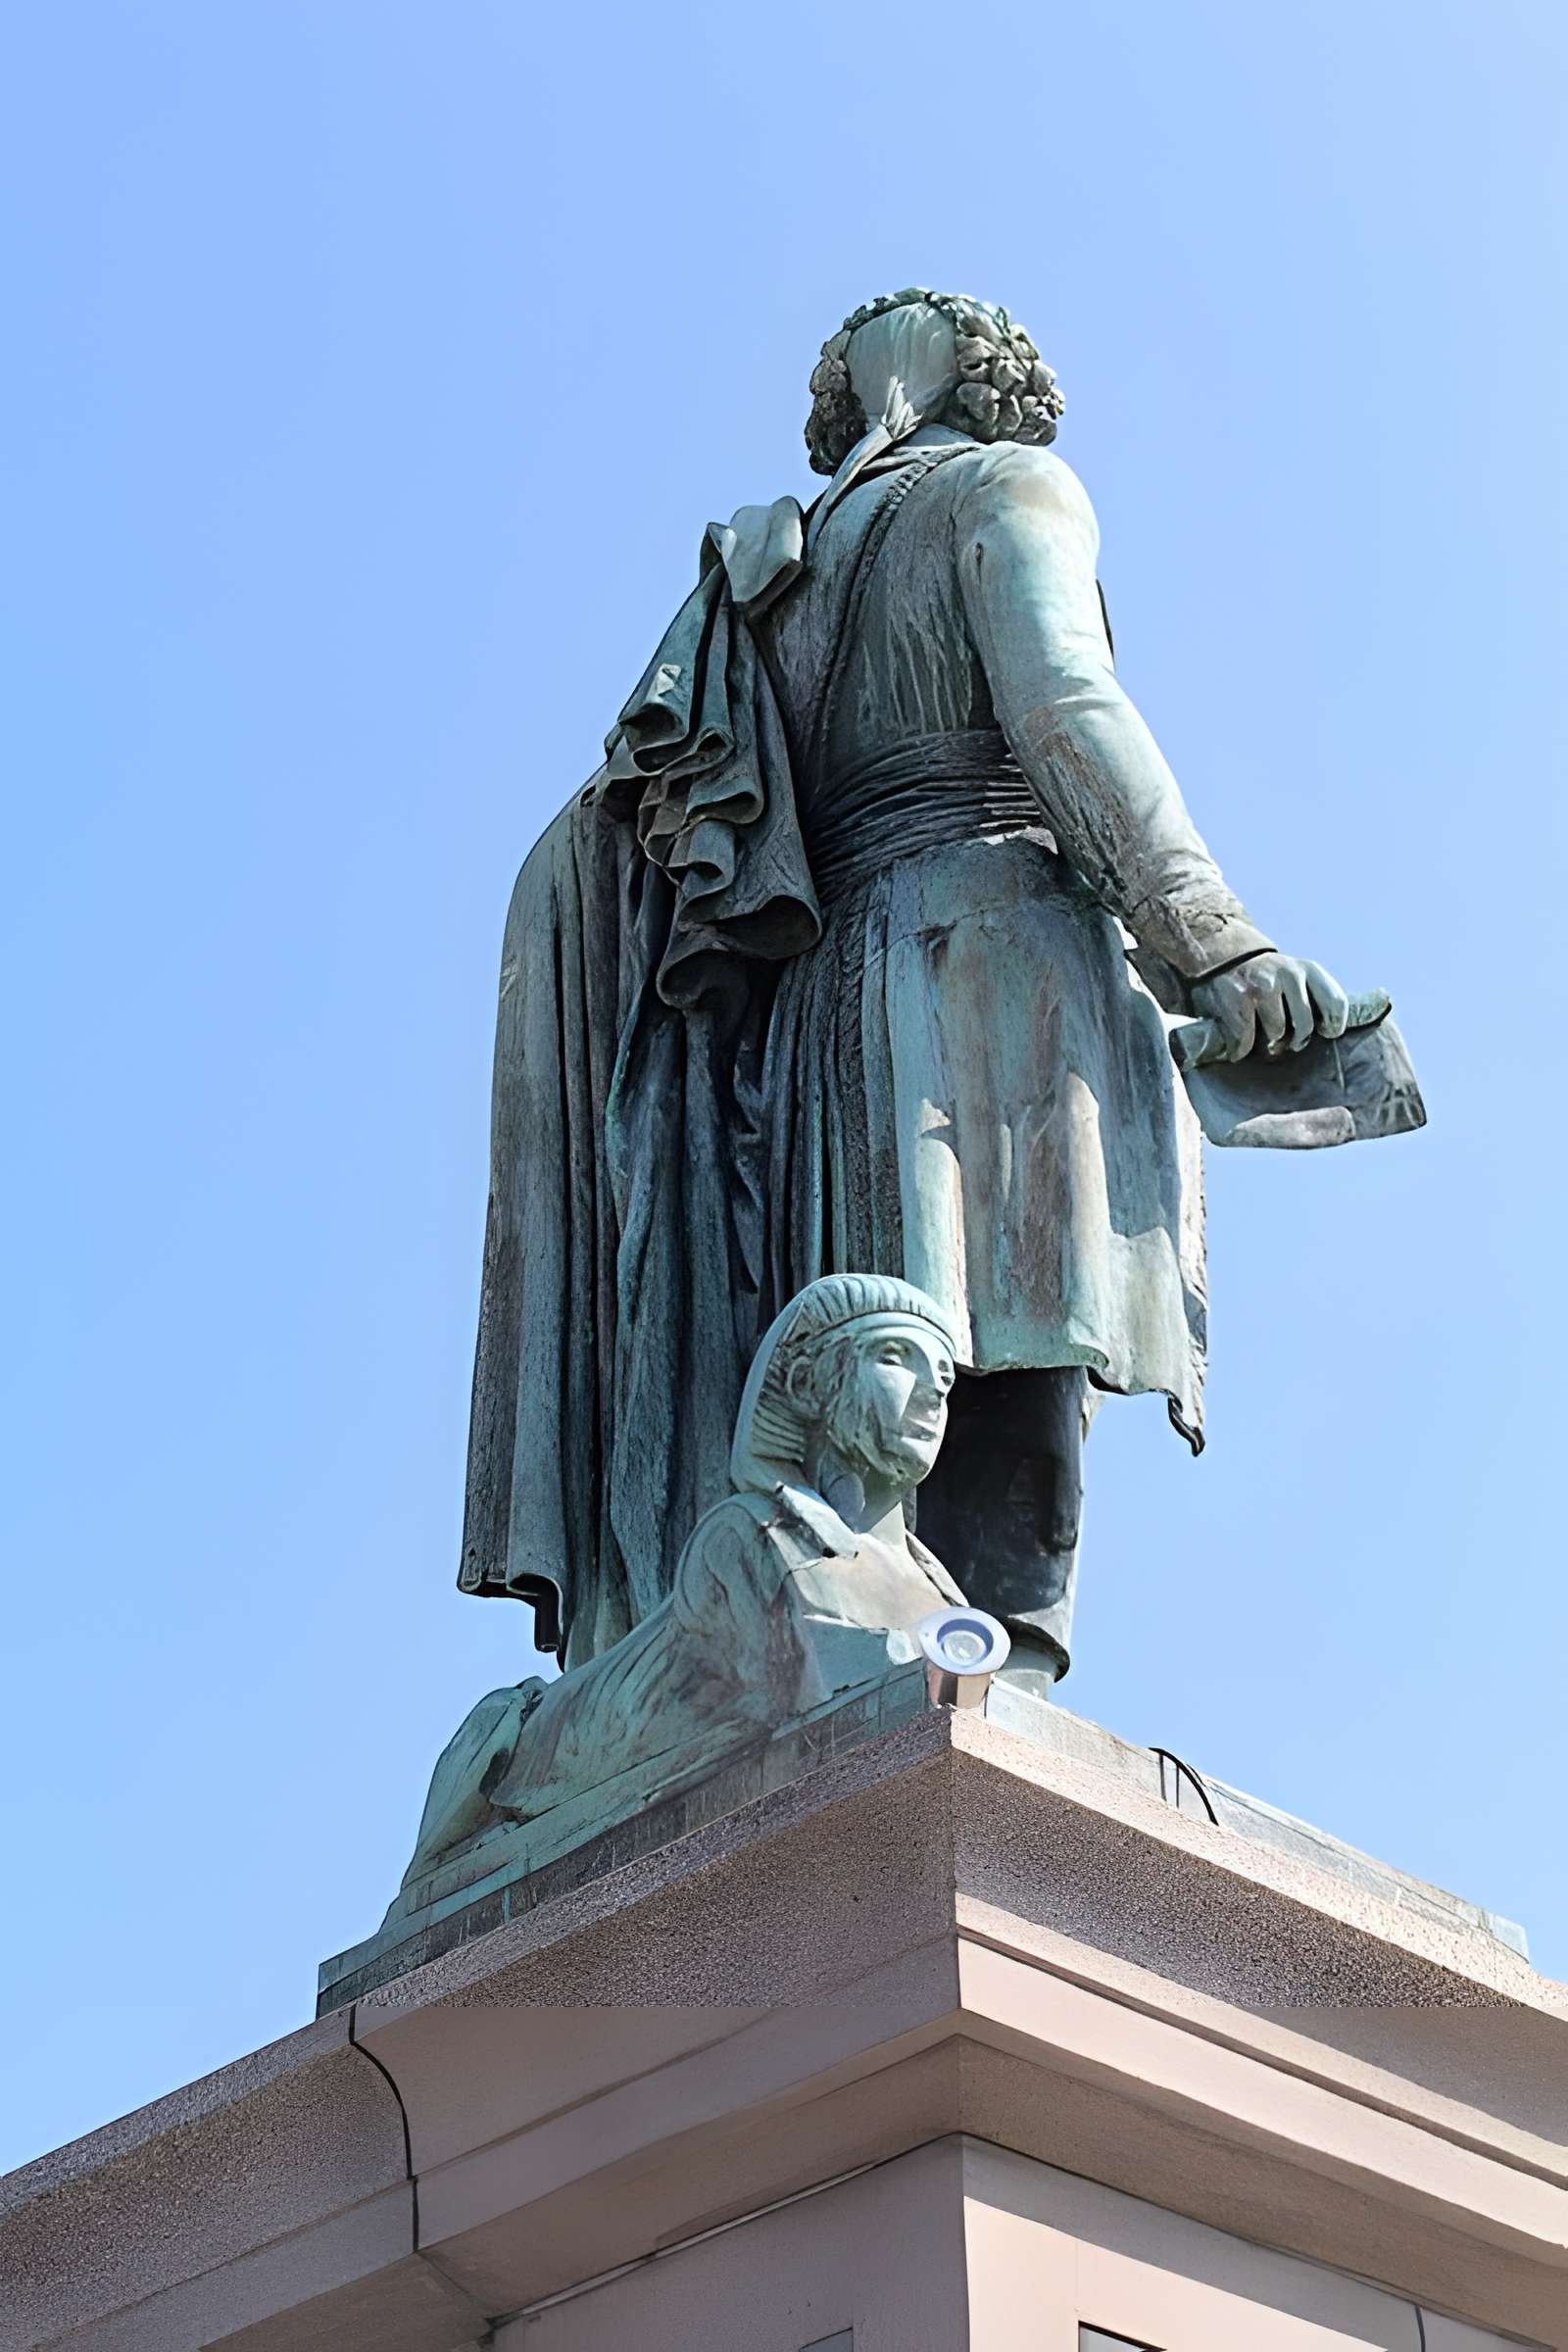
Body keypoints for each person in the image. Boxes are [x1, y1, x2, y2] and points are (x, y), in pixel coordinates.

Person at [459, 289, 1359, 1684]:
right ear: (1004, 386)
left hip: (825, 1011)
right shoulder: (1013, 486)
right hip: (995, 973)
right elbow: (1064, 709)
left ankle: (891, 1706)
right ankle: (993, 1725)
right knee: (1000, 1396)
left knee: (870, 1394)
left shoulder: (773, 574)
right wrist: (1218, 941)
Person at [406, 1276, 964, 1885]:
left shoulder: (935, 1582)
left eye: (943, 1373)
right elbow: (825, 1680)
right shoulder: (751, 1532)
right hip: (549, 1747)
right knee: (497, 1722)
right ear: (806, 1385)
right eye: (893, 1357)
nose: (933, 1390)